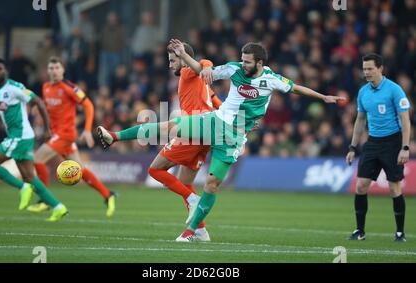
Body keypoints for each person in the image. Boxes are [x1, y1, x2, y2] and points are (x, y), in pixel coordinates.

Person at [96, 42, 344, 241]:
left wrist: (322, 97)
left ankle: (192, 231)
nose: (243, 64)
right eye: (242, 59)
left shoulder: (272, 79)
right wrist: (185, 55)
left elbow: (296, 88)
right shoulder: (234, 69)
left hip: (234, 135)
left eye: (247, 61)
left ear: (259, 63)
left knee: (212, 184)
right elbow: (206, 70)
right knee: (171, 125)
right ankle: (114, 136)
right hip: (214, 121)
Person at [0, 58, 68, 222]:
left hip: (20, 136)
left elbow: (38, 102)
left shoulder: (15, 87)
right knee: (29, 176)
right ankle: (58, 207)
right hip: (18, 136)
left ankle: (22, 188)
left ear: (5, 71)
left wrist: (48, 128)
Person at [147, 39, 223, 242]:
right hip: (207, 133)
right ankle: (200, 230)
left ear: (183, 58)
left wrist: (200, 64)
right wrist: (228, 114)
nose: (169, 64)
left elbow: (204, 64)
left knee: (155, 169)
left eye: (173, 60)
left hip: (193, 131)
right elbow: (214, 98)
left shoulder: (189, 72)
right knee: (185, 182)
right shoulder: (196, 79)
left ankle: (193, 201)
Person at [27, 56, 116, 217]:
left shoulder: (69, 87)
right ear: (47, 71)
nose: (54, 71)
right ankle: (108, 195)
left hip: (66, 134)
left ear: (63, 70)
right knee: (80, 169)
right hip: (56, 134)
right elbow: (50, 110)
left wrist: (88, 130)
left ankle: (45, 201)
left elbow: (88, 105)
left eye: (57, 68)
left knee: (37, 159)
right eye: (51, 68)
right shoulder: (46, 87)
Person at [346, 53, 410, 242]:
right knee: (361, 186)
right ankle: (360, 231)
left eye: (370, 69)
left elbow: (405, 120)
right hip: (373, 142)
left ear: (380, 69)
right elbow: (360, 120)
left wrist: (405, 147)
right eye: (364, 69)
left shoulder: (394, 90)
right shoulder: (363, 92)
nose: (366, 72)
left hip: (392, 142)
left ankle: (399, 233)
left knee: (394, 187)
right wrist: (352, 147)